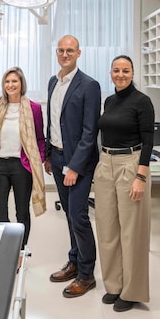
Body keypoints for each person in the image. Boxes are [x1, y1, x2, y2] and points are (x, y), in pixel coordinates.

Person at [93, 55, 154, 312]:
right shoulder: (109, 100)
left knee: (131, 232)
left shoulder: (142, 102)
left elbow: (148, 139)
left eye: (125, 70)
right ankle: (114, 285)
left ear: (132, 72)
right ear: (110, 73)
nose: (120, 75)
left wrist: (140, 176)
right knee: (107, 229)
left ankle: (132, 291)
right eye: (116, 70)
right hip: (106, 162)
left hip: (131, 163)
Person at [45, 35, 101, 298]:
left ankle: (87, 275)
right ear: (57, 53)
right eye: (61, 50)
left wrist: (75, 167)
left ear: (79, 53)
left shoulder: (89, 85)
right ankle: (74, 261)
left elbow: (90, 132)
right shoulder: (53, 82)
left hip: (79, 162)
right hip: (56, 157)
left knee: (78, 216)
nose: (65, 54)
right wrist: (48, 154)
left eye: (70, 50)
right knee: (68, 214)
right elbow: (53, 123)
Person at [0, 67, 46, 248]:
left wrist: (39, 158)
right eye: (7, 81)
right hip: (0, 165)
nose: (10, 85)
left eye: (14, 81)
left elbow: (40, 138)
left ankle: (20, 250)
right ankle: (6, 246)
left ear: (21, 84)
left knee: (22, 212)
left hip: (22, 166)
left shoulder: (33, 108)